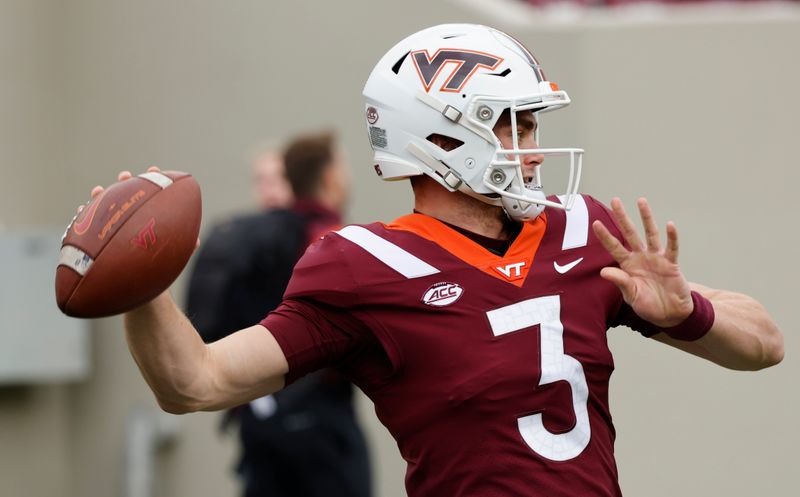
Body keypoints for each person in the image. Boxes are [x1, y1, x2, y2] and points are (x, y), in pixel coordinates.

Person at [98, 24, 783, 497]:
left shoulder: (585, 232)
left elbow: (765, 345)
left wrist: (690, 310)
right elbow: (196, 381)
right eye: (513, 123)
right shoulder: (361, 265)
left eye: (533, 125)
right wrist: (141, 281)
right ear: (440, 136)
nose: (534, 150)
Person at [185, 131, 371, 497]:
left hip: (256, 414)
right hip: (320, 419)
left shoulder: (242, 237)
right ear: (330, 177)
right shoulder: (327, 238)